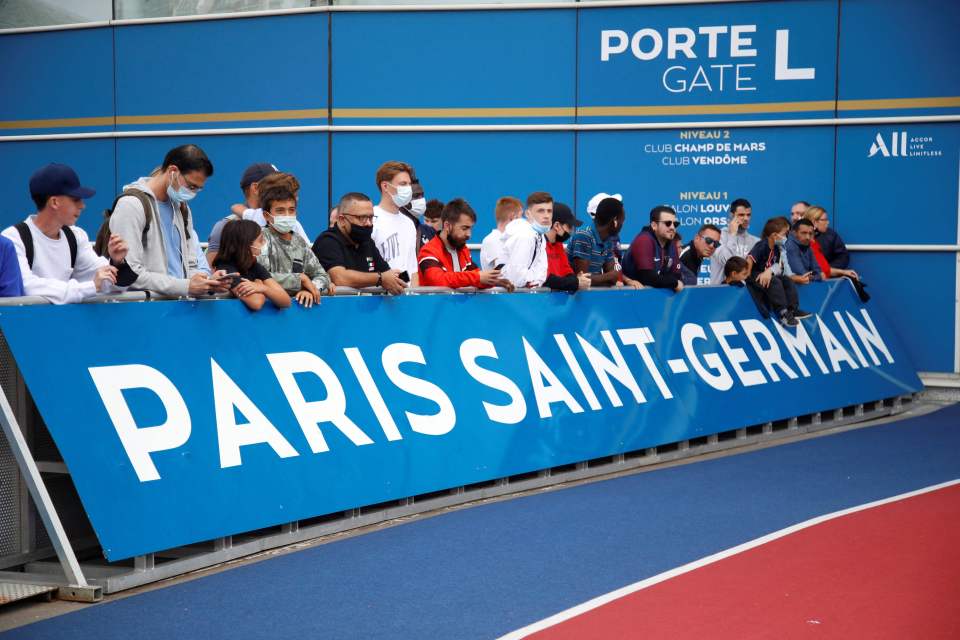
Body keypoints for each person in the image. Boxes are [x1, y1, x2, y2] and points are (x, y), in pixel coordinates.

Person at [2, 163, 135, 304]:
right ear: (54, 202)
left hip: (65, 323)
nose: (82, 205)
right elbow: (27, 287)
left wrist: (117, 262)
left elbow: (107, 284)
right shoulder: (13, 238)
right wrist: (89, 287)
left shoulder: (76, 236)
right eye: (75, 199)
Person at [108, 145, 227, 297]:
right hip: (146, 309)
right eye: (191, 186)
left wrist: (207, 282)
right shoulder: (131, 205)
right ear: (173, 171)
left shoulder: (182, 207)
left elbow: (190, 264)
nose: (193, 192)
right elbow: (130, 273)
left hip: (179, 307)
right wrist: (185, 286)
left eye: (198, 189)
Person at [312, 192, 407, 295]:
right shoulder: (327, 241)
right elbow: (340, 278)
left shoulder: (367, 242)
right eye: (362, 218)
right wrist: (380, 278)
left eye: (371, 217)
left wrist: (398, 278)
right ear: (342, 220)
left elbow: (386, 274)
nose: (368, 223)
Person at [257, 184, 332, 308]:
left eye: (291, 210)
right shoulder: (260, 239)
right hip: (268, 309)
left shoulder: (299, 241)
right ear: (266, 215)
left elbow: (323, 276)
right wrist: (300, 279)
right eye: (280, 210)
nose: (287, 215)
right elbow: (261, 277)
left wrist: (310, 289)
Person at [417, 198, 512, 289]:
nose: (469, 234)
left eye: (470, 228)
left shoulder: (463, 250)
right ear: (447, 226)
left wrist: (492, 281)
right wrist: (478, 277)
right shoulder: (428, 251)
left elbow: (474, 278)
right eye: (464, 228)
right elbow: (438, 281)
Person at [213, 220, 290, 311]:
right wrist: (259, 283)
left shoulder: (254, 265)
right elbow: (256, 302)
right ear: (245, 245)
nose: (265, 243)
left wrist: (263, 288)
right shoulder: (226, 269)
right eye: (261, 240)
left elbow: (286, 301)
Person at [746, 217, 811, 327]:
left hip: (767, 276)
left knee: (786, 280)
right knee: (775, 282)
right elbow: (750, 259)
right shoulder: (762, 245)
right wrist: (746, 275)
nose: (786, 237)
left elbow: (778, 267)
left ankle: (792, 310)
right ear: (775, 235)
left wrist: (769, 271)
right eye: (785, 234)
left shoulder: (777, 248)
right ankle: (783, 314)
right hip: (755, 276)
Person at [569, 197, 642, 288]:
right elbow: (583, 279)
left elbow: (611, 272)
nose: (622, 226)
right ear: (615, 220)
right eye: (622, 221)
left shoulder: (608, 239)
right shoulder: (584, 236)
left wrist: (628, 280)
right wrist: (609, 277)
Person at [372, 161, 419, 285]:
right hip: (378, 297)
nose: (408, 189)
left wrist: (414, 298)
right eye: (403, 184)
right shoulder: (370, 219)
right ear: (385, 186)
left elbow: (413, 269)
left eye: (409, 184)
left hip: (406, 298)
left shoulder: (409, 223)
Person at [622, 205, 684, 292]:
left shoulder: (671, 243)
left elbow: (677, 276)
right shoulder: (644, 240)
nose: (672, 227)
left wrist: (673, 281)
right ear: (654, 225)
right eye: (668, 223)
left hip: (653, 296)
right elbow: (648, 278)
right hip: (628, 295)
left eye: (675, 224)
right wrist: (674, 283)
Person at [501, 192, 554, 289]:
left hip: (521, 295)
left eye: (549, 211)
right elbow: (516, 279)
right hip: (508, 297)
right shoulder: (525, 236)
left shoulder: (540, 236)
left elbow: (542, 273)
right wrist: (532, 281)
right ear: (528, 214)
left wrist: (535, 281)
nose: (546, 216)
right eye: (541, 211)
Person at [710, 198, 760, 284]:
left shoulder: (756, 242)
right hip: (720, 292)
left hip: (746, 293)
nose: (746, 218)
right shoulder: (718, 236)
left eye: (748, 215)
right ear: (731, 215)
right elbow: (728, 262)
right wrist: (732, 235)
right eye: (741, 215)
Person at [544, 203, 590, 293]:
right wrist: (575, 282)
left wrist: (577, 280)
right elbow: (544, 279)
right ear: (556, 226)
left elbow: (567, 271)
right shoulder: (538, 245)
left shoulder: (558, 244)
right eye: (569, 226)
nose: (571, 230)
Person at [479, 196, 523, 271]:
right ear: (512, 217)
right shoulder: (493, 240)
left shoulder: (511, 240)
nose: (522, 222)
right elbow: (503, 272)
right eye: (520, 217)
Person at [784, 219, 824, 285]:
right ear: (794, 233)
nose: (808, 237)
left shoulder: (808, 245)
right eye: (803, 233)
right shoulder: (790, 246)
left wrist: (812, 277)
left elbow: (820, 273)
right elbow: (802, 274)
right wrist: (814, 277)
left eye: (810, 233)